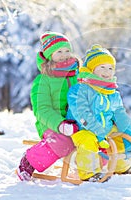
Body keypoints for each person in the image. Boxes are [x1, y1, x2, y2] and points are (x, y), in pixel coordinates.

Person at [66, 44, 131, 182]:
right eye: (102, 67)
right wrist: (98, 132)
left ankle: (121, 166)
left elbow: (120, 114)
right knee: (88, 140)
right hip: (82, 128)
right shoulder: (79, 90)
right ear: (91, 69)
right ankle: (88, 172)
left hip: (105, 130)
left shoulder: (112, 94)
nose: (107, 71)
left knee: (118, 136)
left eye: (110, 68)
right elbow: (82, 114)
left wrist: (130, 134)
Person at [16, 31, 80, 181]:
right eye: (59, 51)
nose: (65, 54)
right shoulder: (43, 81)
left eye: (67, 50)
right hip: (51, 125)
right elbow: (42, 110)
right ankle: (29, 162)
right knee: (65, 142)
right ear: (50, 55)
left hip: (76, 122)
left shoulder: (77, 75)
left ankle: (90, 168)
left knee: (94, 135)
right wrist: (60, 124)